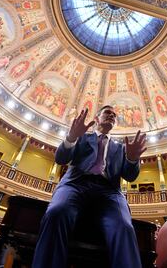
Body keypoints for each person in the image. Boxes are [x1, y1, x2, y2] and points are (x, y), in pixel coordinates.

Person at [32, 106, 147, 268]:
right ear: (97, 118)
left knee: (125, 227)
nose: (112, 116)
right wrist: (71, 137)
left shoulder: (122, 148)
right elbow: (60, 158)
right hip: (75, 184)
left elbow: (130, 176)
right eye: (108, 113)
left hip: (109, 192)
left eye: (114, 115)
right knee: (57, 211)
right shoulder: (82, 137)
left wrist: (133, 159)